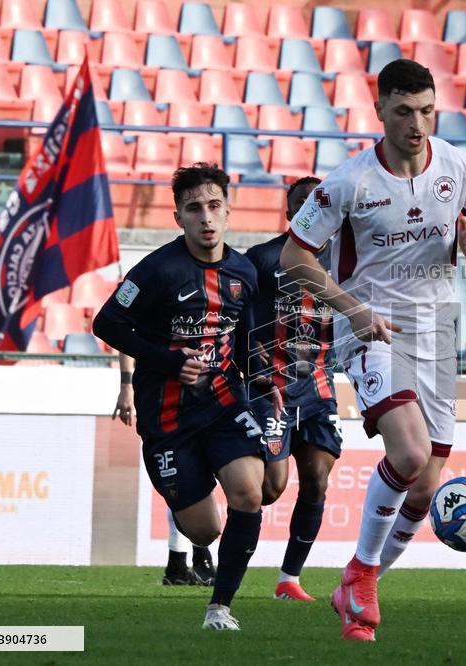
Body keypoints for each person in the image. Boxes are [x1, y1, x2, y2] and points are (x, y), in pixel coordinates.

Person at [279, 59, 466, 641]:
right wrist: (352, 311)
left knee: (426, 485)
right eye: (404, 111)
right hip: (371, 330)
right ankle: (362, 579)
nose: (418, 123)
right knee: (408, 454)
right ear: (379, 110)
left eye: (427, 110)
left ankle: (357, 582)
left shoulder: (456, 163)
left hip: (438, 333)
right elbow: (293, 259)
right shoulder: (347, 182)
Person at [93, 163, 281, 631]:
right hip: (167, 415)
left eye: (214, 206)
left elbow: (238, 338)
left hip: (220, 400)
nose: (206, 217)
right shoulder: (157, 270)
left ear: (228, 211)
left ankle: (220, 608)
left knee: (249, 492)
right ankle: (194, 481)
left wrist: (260, 377)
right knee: (205, 529)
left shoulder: (243, 271)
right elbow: (106, 324)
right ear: (178, 216)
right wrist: (168, 360)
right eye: (194, 208)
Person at [244, 175, 344, 602]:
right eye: (301, 203)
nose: (310, 208)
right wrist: (252, 351)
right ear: (290, 214)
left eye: (317, 201)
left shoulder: (345, 262)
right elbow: (238, 310)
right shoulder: (263, 259)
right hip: (273, 389)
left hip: (319, 385)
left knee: (318, 480)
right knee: (270, 489)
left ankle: (289, 580)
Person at [113, 352, 216, 587]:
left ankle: (182, 564)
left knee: (196, 481)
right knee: (182, 483)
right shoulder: (153, 319)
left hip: (205, 399)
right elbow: (127, 341)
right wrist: (126, 386)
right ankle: (190, 561)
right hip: (162, 402)